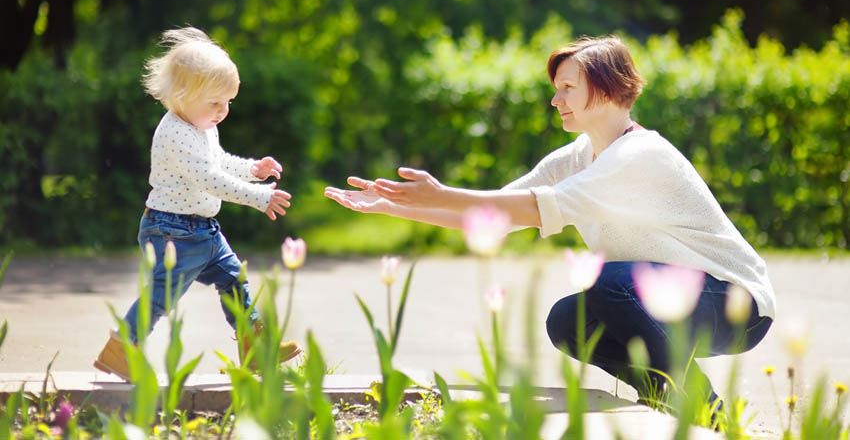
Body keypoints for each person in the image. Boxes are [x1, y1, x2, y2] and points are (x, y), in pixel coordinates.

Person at [324, 35, 775, 415]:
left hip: (734, 304)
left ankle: (701, 408)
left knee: (608, 283)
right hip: (673, 297)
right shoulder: (578, 155)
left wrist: (439, 193)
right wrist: (395, 206)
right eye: (556, 88)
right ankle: (668, 398)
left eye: (567, 88)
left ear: (608, 89)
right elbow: (497, 215)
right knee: (569, 321)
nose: (555, 100)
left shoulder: (640, 156)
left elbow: (537, 209)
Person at [94, 27, 301, 381]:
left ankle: (255, 347)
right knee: (162, 296)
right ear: (182, 95)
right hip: (173, 230)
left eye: (228, 103)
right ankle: (120, 348)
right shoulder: (174, 133)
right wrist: (259, 197)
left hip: (203, 230)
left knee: (235, 279)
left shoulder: (203, 125)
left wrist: (253, 169)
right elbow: (209, 179)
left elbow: (219, 162)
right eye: (215, 103)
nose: (223, 111)